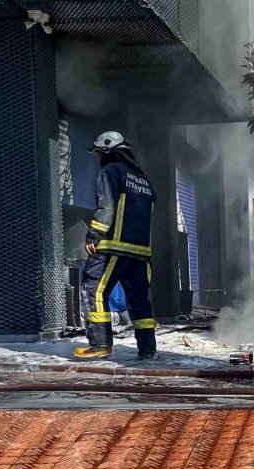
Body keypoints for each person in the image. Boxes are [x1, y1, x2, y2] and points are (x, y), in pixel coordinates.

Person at [76, 131, 157, 360]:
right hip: (140, 252)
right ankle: (147, 348)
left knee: (94, 290)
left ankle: (100, 344)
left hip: (112, 246)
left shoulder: (110, 172)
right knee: (139, 298)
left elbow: (107, 206)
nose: (99, 158)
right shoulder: (144, 180)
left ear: (107, 152)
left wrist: (93, 236)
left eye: (100, 153)